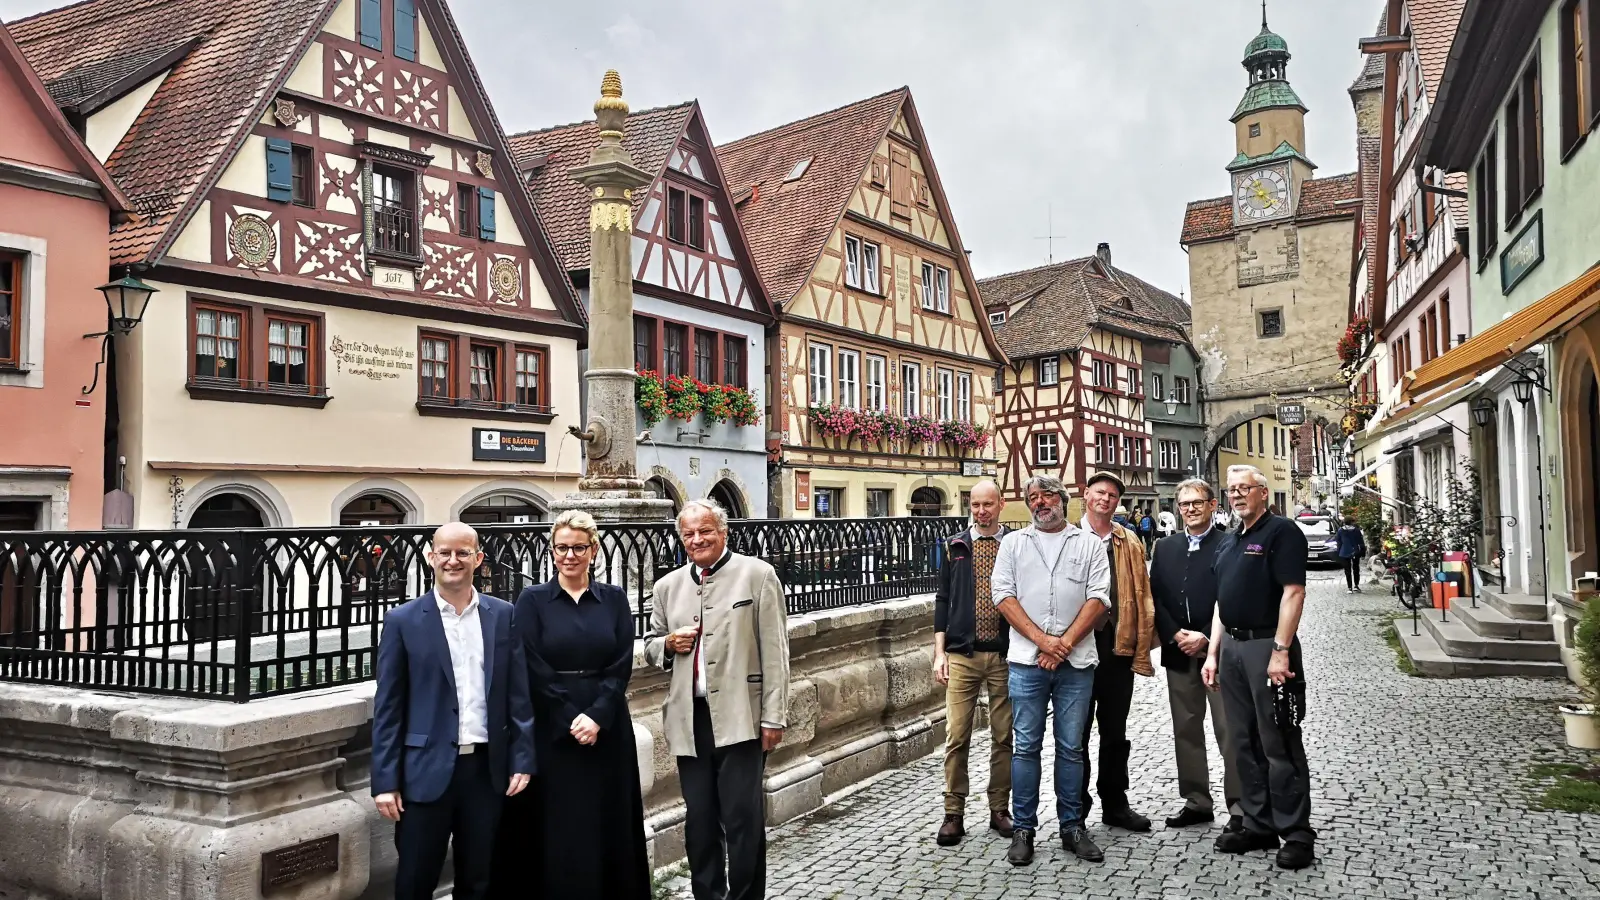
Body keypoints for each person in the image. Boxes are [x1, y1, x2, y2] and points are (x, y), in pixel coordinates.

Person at [490, 510, 649, 899]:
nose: (570, 555)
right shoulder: (533, 600)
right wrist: (570, 717)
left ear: (593, 550)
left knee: (607, 818)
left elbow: (621, 664)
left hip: (607, 724)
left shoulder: (612, 599)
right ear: (552, 551)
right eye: (561, 547)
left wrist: (596, 716)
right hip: (552, 727)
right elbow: (531, 664)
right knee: (557, 820)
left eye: (579, 547)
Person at [372, 522, 534, 900]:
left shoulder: (502, 614)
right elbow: (388, 707)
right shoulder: (403, 621)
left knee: (479, 881)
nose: (453, 560)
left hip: (486, 772)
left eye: (462, 552)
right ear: (431, 557)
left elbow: (518, 696)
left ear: (478, 559)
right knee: (414, 880)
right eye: (444, 552)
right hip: (422, 774)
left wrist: (522, 759)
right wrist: (384, 781)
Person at [645, 499, 790, 900]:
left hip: (742, 716)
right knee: (700, 821)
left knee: (742, 819)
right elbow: (650, 644)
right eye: (689, 534)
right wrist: (667, 645)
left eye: (705, 530)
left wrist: (774, 718)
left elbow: (776, 652)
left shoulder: (757, 575)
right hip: (690, 721)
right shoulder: (667, 586)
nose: (697, 539)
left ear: (723, 532)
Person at [991, 475, 1111, 866]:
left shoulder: (1089, 544)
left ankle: (1072, 827)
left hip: (1076, 664)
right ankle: (1024, 830)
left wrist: (1062, 646)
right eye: (1032, 498)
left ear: (1063, 499)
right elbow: (1003, 597)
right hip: (1027, 662)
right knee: (1025, 747)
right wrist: (1044, 642)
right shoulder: (1013, 543)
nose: (1040, 503)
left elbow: (1098, 600)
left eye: (1046, 496)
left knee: (1071, 748)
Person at [1201, 465, 1315, 870]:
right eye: (1231, 490)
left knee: (1278, 741)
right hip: (1232, 647)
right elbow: (1220, 602)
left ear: (1263, 493)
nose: (1236, 495)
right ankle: (1258, 823)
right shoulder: (1231, 541)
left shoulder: (1281, 533)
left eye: (1244, 488)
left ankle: (1297, 833)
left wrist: (1281, 650)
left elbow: (1294, 592)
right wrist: (1213, 653)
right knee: (1243, 741)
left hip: (1268, 645)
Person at [1150, 479, 1241, 832]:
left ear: (1212, 505)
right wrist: (1174, 633)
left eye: (1197, 503)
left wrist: (1205, 638)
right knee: (1186, 729)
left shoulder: (1228, 544)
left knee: (1228, 730)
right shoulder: (1166, 547)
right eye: (1184, 503)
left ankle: (1240, 805)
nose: (1190, 509)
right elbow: (1155, 597)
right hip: (1178, 653)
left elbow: (1231, 597)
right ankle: (1197, 800)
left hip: (1215, 651)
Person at [932, 480, 1015, 846]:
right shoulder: (955, 545)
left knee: (1004, 735)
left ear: (1001, 505)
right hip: (962, 654)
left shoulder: (1015, 544)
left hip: (1005, 653)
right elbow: (942, 600)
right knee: (957, 735)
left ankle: (999, 808)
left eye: (988, 504)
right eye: (975, 504)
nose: (981, 511)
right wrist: (939, 652)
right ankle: (954, 813)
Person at [1076, 473, 1158, 833]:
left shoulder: (1130, 541)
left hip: (1117, 647)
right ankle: (1074, 806)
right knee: (1074, 733)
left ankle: (1115, 801)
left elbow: (1143, 593)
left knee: (1114, 730)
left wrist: (1144, 642)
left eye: (1111, 495)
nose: (1105, 499)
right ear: (1086, 495)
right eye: (1099, 493)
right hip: (1075, 649)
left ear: (1117, 502)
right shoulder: (1067, 537)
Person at [1337, 515, 1366, 593]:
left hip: (1344, 551)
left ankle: (1349, 587)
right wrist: (1363, 553)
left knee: (1347, 570)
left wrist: (1338, 552)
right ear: (1351, 522)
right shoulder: (1356, 530)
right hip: (1355, 551)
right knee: (1356, 569)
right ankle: (1356, 585)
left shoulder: (1340, 530)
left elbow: (1339, 542)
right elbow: (1361, 542)